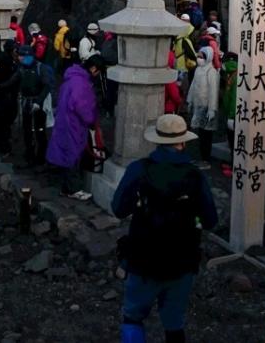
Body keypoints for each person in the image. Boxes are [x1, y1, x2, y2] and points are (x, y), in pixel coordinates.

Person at [112, 113, 218, 343]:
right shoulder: (195, 176)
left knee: (132, 316)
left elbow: (118, 208)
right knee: (174, 322)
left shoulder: (139, 169)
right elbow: (210, 220)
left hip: (142, 258)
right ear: (183, 142)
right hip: (182, 260)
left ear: (157, 141)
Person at [46, 54, 103, 200]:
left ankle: (66, 188)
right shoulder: (82, 83)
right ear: (93, 68)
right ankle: (74, 189)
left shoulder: (72, 78)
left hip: (64, 120)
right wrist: (91, 120)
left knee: (66, 154)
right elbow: (82, 107)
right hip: (74, 124)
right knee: (73, 156)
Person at [17, 45, 54, 167]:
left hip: (38, 104)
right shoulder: (21, 68)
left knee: (39, 131)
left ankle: (41, 157)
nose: (20, 58)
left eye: (22, 55)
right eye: (19, 55)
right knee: (27, 130)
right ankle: (29, 155)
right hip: (26, 102)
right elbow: (14, 80)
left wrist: (38, 101)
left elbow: (47, 86)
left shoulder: (41, 68)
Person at [187, 47, 219, 169]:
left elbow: (213, 92)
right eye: (198, 56)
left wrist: (212, 109)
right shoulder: (198, 70)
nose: (199, 58)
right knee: (200, 134)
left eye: (201, 56)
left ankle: (206, 160)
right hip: (198, 106)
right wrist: (190, 100)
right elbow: (193, 86)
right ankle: (202, 158)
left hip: (206, 108)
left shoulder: (211, 72)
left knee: (207, 136)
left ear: (207, 57)